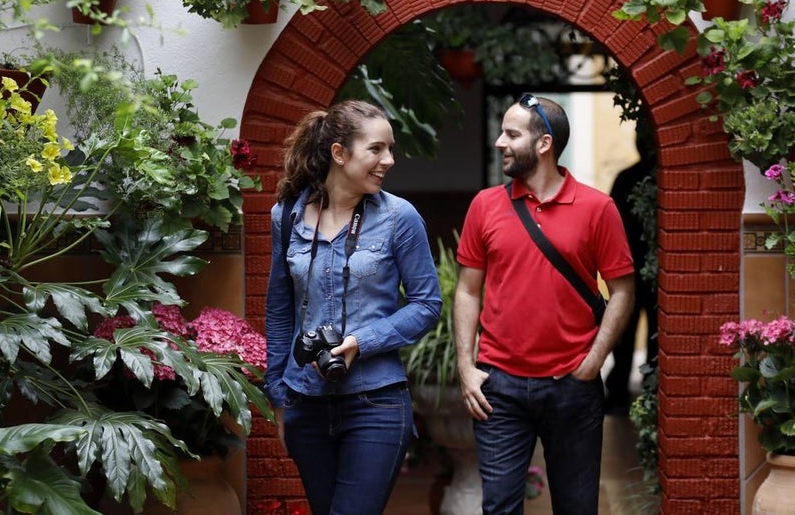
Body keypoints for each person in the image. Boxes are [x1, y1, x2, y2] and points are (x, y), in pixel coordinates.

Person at [453, 94, 635, 515]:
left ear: (543, 144)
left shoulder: (597, 208)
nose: (500, 142)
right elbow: (467, 290)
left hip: (573, 385)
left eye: (511, 134)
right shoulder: (485, 206)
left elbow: (623, 290)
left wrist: (594, 361)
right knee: (499, 508)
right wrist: (466, 368)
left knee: (576, 507)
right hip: (499, 388)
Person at [264, 99, 442, 515]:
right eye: (376, 149)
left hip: (376, 402)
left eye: (390, 149)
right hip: (304, 402)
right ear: (339, 154)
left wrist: (362, 341)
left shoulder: (400, 217)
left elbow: (426, 304)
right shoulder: (286, 216)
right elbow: (278, 309)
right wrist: (278, 396)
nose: (389, 160)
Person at [604, 120, 658, 416]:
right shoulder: (629, 179)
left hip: (634, 269)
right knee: (631, 335)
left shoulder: (629, 178)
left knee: (639, 335)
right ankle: (634, 393)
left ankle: (622, 395)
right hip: (630, 270)